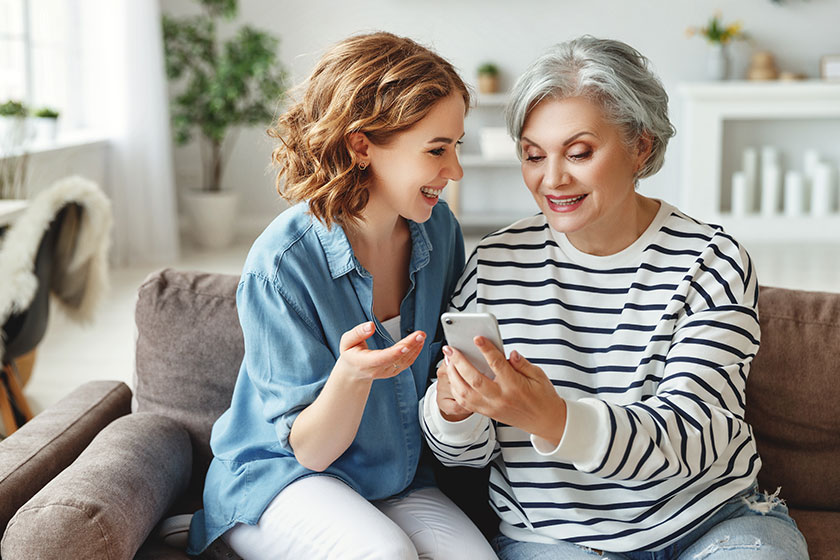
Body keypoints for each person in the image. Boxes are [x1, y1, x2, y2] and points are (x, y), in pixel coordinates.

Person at [420, 36, 809, 559]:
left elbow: (693, 434)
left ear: (640, 147)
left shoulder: (710, 259)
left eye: (579, 152)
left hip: (709, 521)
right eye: (533, 155)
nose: (552, 178)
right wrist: (452, 411)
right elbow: (464, 455)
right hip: (553, 538)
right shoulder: (495, 263)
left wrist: (553, 419)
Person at [187, 32, 496, 560]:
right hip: (284, 478)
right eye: (437, 150)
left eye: (457, 147)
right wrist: (351, 378)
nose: (455, 171)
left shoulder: (439, 229)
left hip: (396, 477)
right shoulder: (281, 264)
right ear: (361, 146)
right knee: (385, 555)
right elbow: (310, 449)